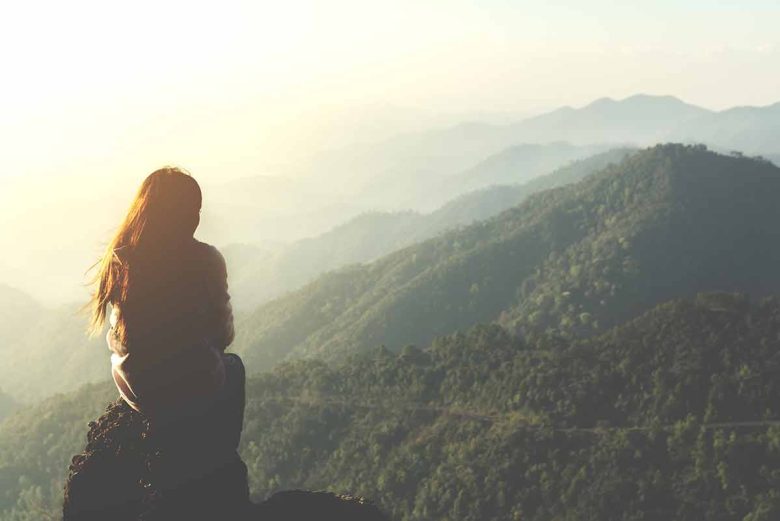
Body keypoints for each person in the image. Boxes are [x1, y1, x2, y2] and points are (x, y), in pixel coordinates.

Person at [86, 166, 245, 458]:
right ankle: (221, 456)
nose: (197, 217)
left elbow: (117, 334)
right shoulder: (206, 260)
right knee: (234, 367)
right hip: (192, 387)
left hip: (137, 389)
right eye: (193, 209)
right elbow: (224, 335)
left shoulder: (122, 260)